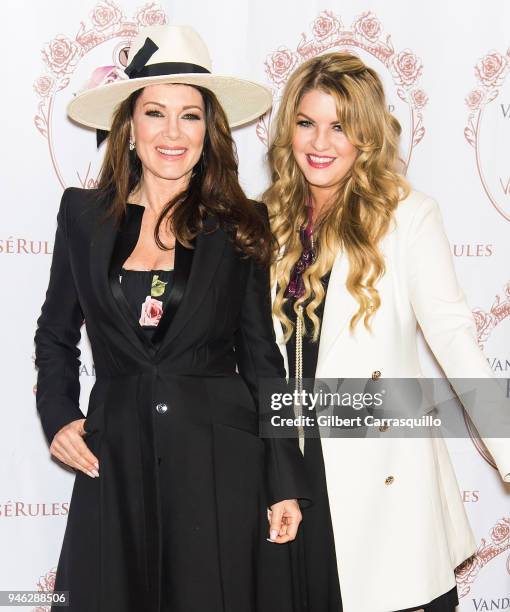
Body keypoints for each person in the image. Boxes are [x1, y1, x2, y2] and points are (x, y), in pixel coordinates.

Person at [34, 24, 311, 612]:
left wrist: (284, 478)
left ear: (209, 130)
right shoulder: (82, 215)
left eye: (190, 116)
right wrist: (59, 415)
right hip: (115, 461)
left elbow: (264, 358)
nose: (172, 132)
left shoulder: (242, 221)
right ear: (129, 127)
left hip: (219, 466)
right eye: (155, 113)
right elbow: (55, 334)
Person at [263, 51, 510, 612]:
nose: (320, 142)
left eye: (340, 126)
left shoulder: (406, 215)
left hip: (378, 467)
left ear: (367, 137)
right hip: (287, 471)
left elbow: (454, 338)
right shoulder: (267, 218)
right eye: (306, 123)